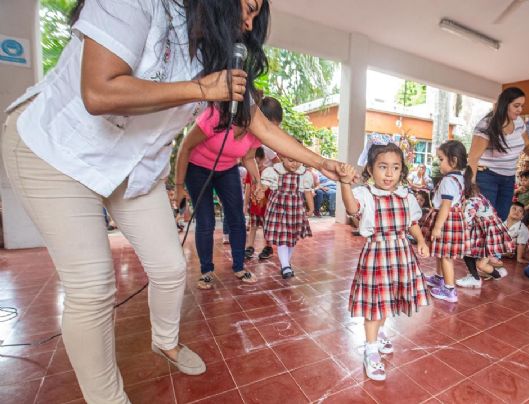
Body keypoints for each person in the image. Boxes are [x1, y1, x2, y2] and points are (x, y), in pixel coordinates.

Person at [0, 1, 346, 402]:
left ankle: (164, 341)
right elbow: (98, 91)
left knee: (168, 265)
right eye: (248, 8)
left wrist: (325, 163)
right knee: (92, 288)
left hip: (133, 166)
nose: (249, 23)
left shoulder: (213, 56)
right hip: (57, 148)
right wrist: (202, 90)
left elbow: (261, 125)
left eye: (256, 17)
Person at [338, 143, 430, 382]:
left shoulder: (405, 195)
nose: (389, 174)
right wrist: (345, 183)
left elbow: (412, 223)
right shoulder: (365, 194)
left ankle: (378, 333)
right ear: (370, 169)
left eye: (395, 168)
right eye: (382, 167)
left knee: (387, 298)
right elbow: (351, 208)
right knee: (374, 302)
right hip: (377, 254)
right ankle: (370, 349)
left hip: (401, 253)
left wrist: (420, 241)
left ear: (402, 171)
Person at [174, 105, 262, 289]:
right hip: (197, 169)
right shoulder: (215, 115)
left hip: (227, 169)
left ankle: (239, 266)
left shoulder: (257, 130)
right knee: (206, 222)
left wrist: (258, 182)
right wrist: (179, 187)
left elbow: (248, 158)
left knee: (237, 218)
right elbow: (185, 147)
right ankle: (206, 271)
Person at [468, 87, 529, 220]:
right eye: (516, 106)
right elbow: (473, 157)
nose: (520, 110)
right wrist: (472, 185)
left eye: (522, 106)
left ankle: (494, 241)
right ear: (504, 104)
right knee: (485, 218)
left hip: (509, 178)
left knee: (501, 218)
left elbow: (527, 144)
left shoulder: (518, 122)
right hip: (487, 177)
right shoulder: (486, 125)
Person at [421, 140, 470, 303]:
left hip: (446, 221)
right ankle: (439, 278)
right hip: (452, 220)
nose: (439, 163)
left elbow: (446, 205)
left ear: (453, 160)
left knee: (446, 256)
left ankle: (449, 290)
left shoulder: (448, 180)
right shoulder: (459, 178)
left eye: (441, 159)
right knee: (442, 253)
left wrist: (437, 227)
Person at [260, 149, 315, 279]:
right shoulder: (274, 171)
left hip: (295, 209)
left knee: (291, 238)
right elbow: (264, 185)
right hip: (278, 209)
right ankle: (285, 266)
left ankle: (286, 263)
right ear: (282, 157)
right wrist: (260, 190)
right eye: (290, 160)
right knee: (282, 237)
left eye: (297, 161)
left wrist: (311, 208)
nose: (294, 164)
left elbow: (307, 192)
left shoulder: (304, 174)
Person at [244, 97, 285, 260]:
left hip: (267, 191)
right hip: (256, 186)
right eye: (274, 124)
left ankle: (268, 247)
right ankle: (250, 246)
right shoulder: (255, 140)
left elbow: (278, 164)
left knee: (267, 221)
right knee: (254, 222)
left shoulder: (268, 146)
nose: (276, 128)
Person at [457, 187, 514, 288]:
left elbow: (465, 222)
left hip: (487, 233)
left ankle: (475, 278)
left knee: (471, 254)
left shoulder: (471, 202)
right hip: (491, 231)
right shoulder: (481, 197)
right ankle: (497, 274)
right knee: (475, 257)